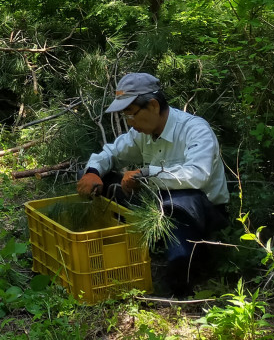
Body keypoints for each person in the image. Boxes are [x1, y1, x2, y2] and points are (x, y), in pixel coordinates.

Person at [75, 72, 229, 297]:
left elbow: (197, 175)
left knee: (179, 202)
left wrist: (145, 174)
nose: (130, 122)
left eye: (132, 114)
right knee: (94, 178)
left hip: (200, 209)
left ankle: (183, 274)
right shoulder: (142, 133)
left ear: (154, 105)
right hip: (157, 201)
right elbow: (111, 153)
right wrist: (92, 172)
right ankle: (129, 245)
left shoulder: (195, 129)